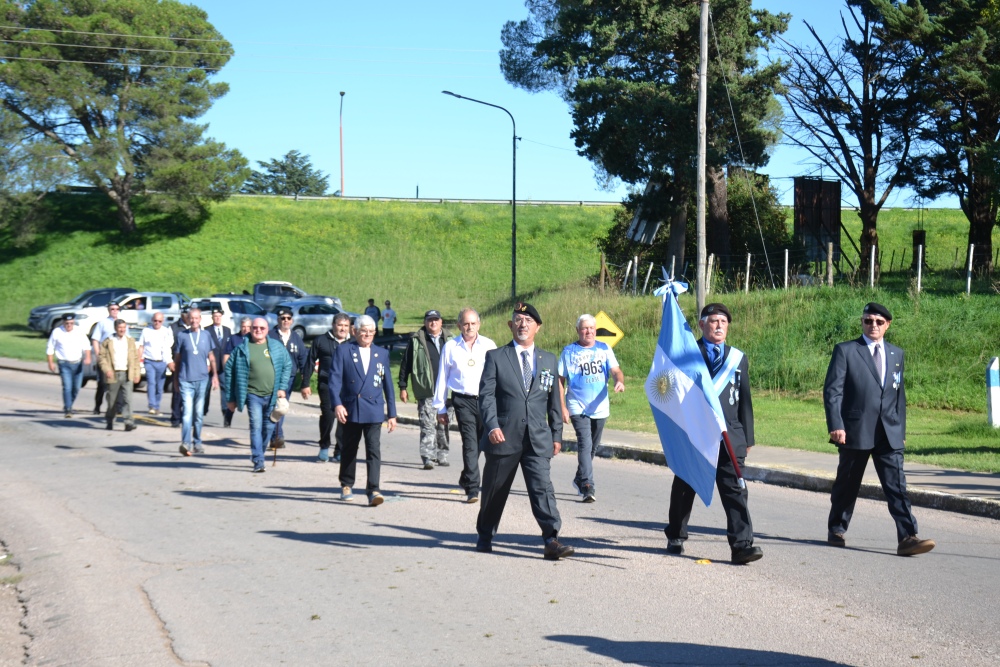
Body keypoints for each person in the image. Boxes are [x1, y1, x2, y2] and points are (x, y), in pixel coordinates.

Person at [824, 302, 935, 557]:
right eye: (868, 320)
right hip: (855, 430)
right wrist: (836, 424)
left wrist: (901, 431)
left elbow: (899, 396)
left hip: (889, 432)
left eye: (879, 322)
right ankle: (837, 528)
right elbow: (833, 390)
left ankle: (908, 537)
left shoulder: (896, 354)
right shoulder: (847, 350)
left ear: (888, 325)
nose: (873, 325)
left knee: (897, 486)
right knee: (848, 485)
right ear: (862, 322)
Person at [664, 303, 762, 564]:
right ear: (701, 325)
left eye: (724, 322)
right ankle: (676, 534)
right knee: (685, 486)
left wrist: (747, 438)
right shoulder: (686, 354)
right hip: (694, 435)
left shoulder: (737, 358)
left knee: (734, 490)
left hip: (729, 436)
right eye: (714, 321)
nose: (719, 326)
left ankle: (742, 545)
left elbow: (745, 401)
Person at [475, 302, 573, 561]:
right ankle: (485, 534)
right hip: (503, 436)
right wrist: (492, 425)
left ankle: (551, 539)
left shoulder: (549, 360)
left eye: (528, 321)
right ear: (511, 325)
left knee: (542, 488)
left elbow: (554, 401)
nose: (523, 324)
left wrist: (556, 434)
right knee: (495, 490)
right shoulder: (496, 357)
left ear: (537, 327)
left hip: (537, 438)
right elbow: (485, 396)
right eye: (518, 319)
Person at [329, 315, 397, 506]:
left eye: (371, 331)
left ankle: (373, 489)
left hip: (374, 409)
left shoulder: (381, 354)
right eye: (363, 331)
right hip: (351, 408)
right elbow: (334, 381)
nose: (367, 334)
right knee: (349, 448)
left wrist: (392, 414)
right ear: (355, 332)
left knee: (373, 449)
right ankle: (346, 483)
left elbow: (388, 385)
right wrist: (337, 404)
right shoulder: (344, 351)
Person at [558, 313, 625, 503]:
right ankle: (588, 485)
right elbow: (560, 380)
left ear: (595, 331)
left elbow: (616, 370)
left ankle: (579, 477)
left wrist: (619, 381)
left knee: (593, 447)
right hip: (577, 405)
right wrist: (562, 406)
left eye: (591, 328)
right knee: (584, 445)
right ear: (578, 330)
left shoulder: (604, 349)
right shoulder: (569, 351)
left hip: (600, 406)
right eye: (584, 328)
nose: (588, 331)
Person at [434, 308, 496, 503]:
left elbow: (497, 375)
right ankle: (473, 489)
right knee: (470, 443)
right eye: (466, 324)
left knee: (479, 444)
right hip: (462, 400)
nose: (469, 327)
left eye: (473, 323)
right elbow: (442, 377)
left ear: (479, 324)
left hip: (485, 401)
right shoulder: (451, 347)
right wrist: (440, 407)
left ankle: (466, 476)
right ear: (459, 325)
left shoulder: (489, 345)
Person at [225, 317, 292, 473]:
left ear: (267, 329)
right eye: (255, 327)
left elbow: (287, 365)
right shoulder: (241, 348)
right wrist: (230, 398)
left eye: (262, 328)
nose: (258, 330)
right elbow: (229, 371)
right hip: (252, 394)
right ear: (250, 329)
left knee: (268, 427)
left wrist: (282, 387)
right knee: (255, 426)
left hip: (272, 394)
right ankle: (258, 461)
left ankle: (258, 453)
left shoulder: (276, 347)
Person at [399, 309, 450, 469]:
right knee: (427, 424)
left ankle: (442, 455)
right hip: (426, 390)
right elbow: (406, 364)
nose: (433, 323)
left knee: (444, 425)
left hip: (447, 391)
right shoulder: (416, 341)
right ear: (425, 322)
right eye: (430, 320)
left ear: (441, 322)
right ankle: (428, 456)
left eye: (436, 320)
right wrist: (403, 386)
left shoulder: (451, 340)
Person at [302, 312, 353, 462]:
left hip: (348, 387)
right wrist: (305, 384)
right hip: (327, 384)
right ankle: (324, 446)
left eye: (346, 326)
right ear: (333, 325)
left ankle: (339, 450)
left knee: (344, 418)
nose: (343, 329)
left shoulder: (353, 343)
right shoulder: (321, 340)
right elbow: (310, 362)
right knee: (329, 416)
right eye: (340, 325)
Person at [170, 308, 219, 456]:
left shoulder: (206, 335)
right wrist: (176, 380)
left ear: (200, 319)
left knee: (198, 414)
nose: (194, 321)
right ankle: (186, 443)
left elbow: (211, 357)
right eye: (191, 318)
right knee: (187, 414)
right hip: (186, 380)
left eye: (196, 318)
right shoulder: (182, 336)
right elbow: (177, 360)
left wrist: (215, 375)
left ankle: (197, 442)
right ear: (187, 319)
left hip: (202, 379)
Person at [268, 307, 309, 448]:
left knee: (281, 407)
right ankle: (275, 436)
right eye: (282, 318)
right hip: (271, 377)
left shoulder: (296, 337)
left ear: (292, 320)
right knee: (272, 407)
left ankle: (276, 436)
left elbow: (303, 358)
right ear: (278, 319)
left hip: (289, 379)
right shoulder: (270, 335)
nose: (286, 321)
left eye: (288, 318)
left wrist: (305, 380)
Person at [46, 313, 92, 418]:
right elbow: (50, 348)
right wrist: (50, 362)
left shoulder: (79, 331)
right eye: (67, 323)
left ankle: (69, 403)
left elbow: (86, 345)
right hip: (64, 363)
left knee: (76, 387)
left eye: (71, 323)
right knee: (67, 387)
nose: (69, 326)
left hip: (78, 363)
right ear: (63, 322)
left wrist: (88, 357)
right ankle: (68, 408)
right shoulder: (57, 332)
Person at [98, 318, 140, 432]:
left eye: (124, 327)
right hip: (113, 374)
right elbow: (101, 358)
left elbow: (135, 358)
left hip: (127, 373)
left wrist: (137, 373)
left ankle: (128, 422)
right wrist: (107, 370)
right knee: (112, 400)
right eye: (120, 328)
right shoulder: (108, 341)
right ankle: (110, 420)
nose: (122, 330)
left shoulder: (130, 340)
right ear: (115, 328)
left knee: (128, 399)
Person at [137, 311, 173, 416]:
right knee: (151, 383)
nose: (157, 323)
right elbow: (141, 346)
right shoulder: (146, 330)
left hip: (161, 362)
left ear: (163, 321)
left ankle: (157, 406)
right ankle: (152, 405)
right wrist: (139, 360)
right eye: (155, 320)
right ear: (152, 320)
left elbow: (168, 348)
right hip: (149, 361)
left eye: (159, 321)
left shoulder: (166, 331)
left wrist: (169, 361)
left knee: (159, 386)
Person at [90, 301, 121, 414]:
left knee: (117, 384)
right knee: (103, 384)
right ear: (108, 310)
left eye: (116, 309)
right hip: (105, 358)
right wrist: (98, 356)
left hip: (118, 358)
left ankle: (116, 408)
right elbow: (95, 340)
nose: (114, 311)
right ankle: (97, 406)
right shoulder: (102, 323)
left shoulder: (122, 324)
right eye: (112, 309)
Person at [205, 307, 233, 426]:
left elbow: (228, 348)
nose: (217, 318)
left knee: (225, 389)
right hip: (210, 365)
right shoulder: (207, 330)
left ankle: (225, 413)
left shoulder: (227, 330)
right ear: (212, 318)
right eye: (215, 316)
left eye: (219, 316)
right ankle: (202, 410)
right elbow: (205, 347)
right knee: (206, 389)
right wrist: (207, 363)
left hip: (223, 365)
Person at [169, 307, 192, 427]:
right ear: (183, 316)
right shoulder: (173, 328)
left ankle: (187, 417)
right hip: (178, 363)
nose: (190, 318)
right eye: (188, 316)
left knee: (190, 392)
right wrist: (169, 361)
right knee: (177, 392)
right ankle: (175, 418)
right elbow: (166, 346)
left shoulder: (196, 327)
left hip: (192, 365)